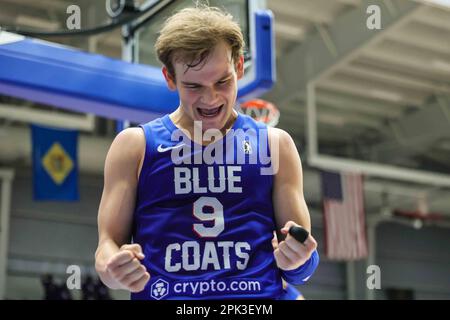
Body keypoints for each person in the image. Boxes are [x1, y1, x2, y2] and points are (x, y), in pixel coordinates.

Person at [95, 5, 319, 300]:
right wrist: (113, 269)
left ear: (239, 67)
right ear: (170, 78)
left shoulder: (276, 145)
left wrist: (299, 259)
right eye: (193, 86)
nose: (210, 98)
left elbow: (301, 264)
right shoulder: (134, 146)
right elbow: (107, 245)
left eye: (222, 82)